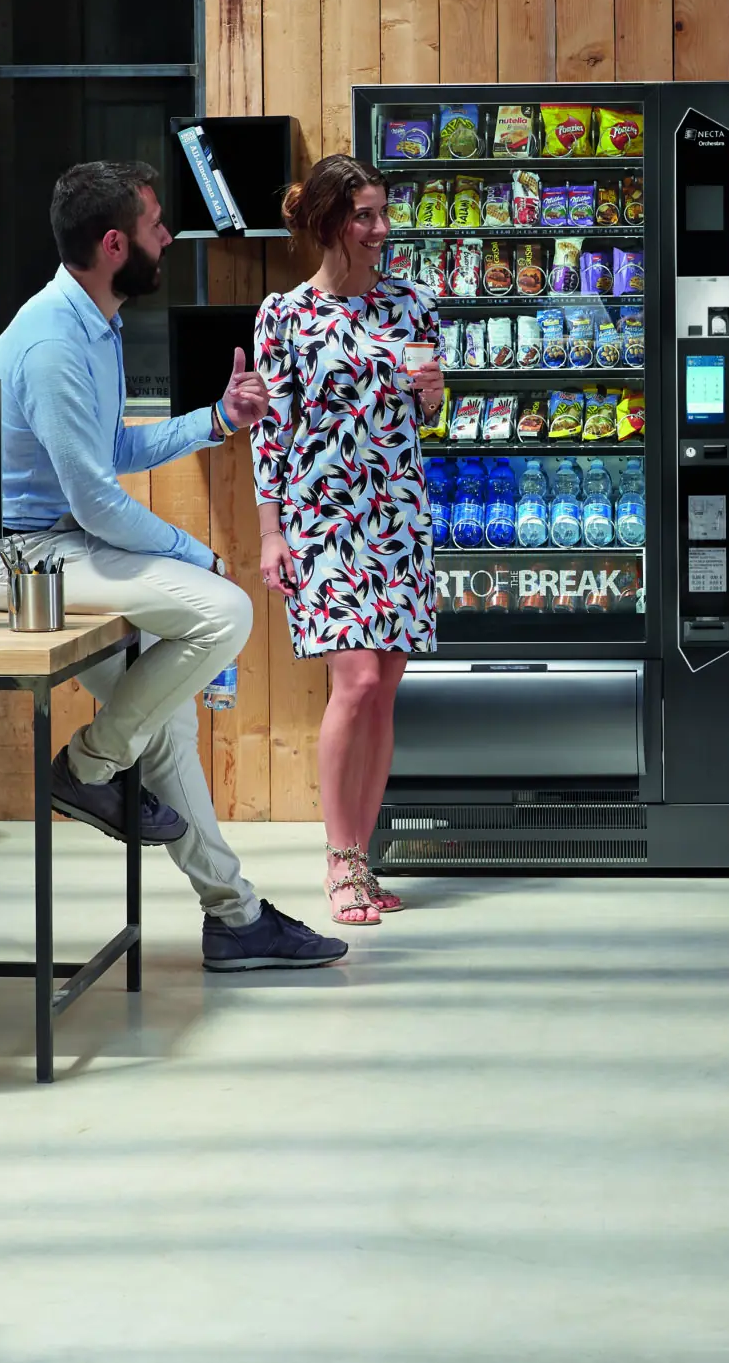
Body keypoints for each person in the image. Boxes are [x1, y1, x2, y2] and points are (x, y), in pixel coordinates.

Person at [0, 159, 345, 971]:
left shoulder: (95, 325)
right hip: (21, 558)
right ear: (113, 244)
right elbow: (99, 503)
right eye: (155, 224)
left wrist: (217, 418)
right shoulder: (53, 342)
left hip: (65, 545)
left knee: (164, 722)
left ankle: (235, 918)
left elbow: (111, 453)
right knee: (224, 608)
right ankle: (88, 767)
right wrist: (198, 552)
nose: (167, 235)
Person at [252, 155, 445, 927]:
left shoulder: (415, 305)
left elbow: (423, 418)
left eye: (382, 213)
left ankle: (363, 858)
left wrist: (432, 399)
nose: (380, 229)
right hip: (323, 519)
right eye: (364, 215)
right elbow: (272, 433)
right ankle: (338, 860)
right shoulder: (284, 315)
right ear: (330, 223)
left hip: (398, 515)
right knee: (356, 681)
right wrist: (270, 533)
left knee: (386, 689)